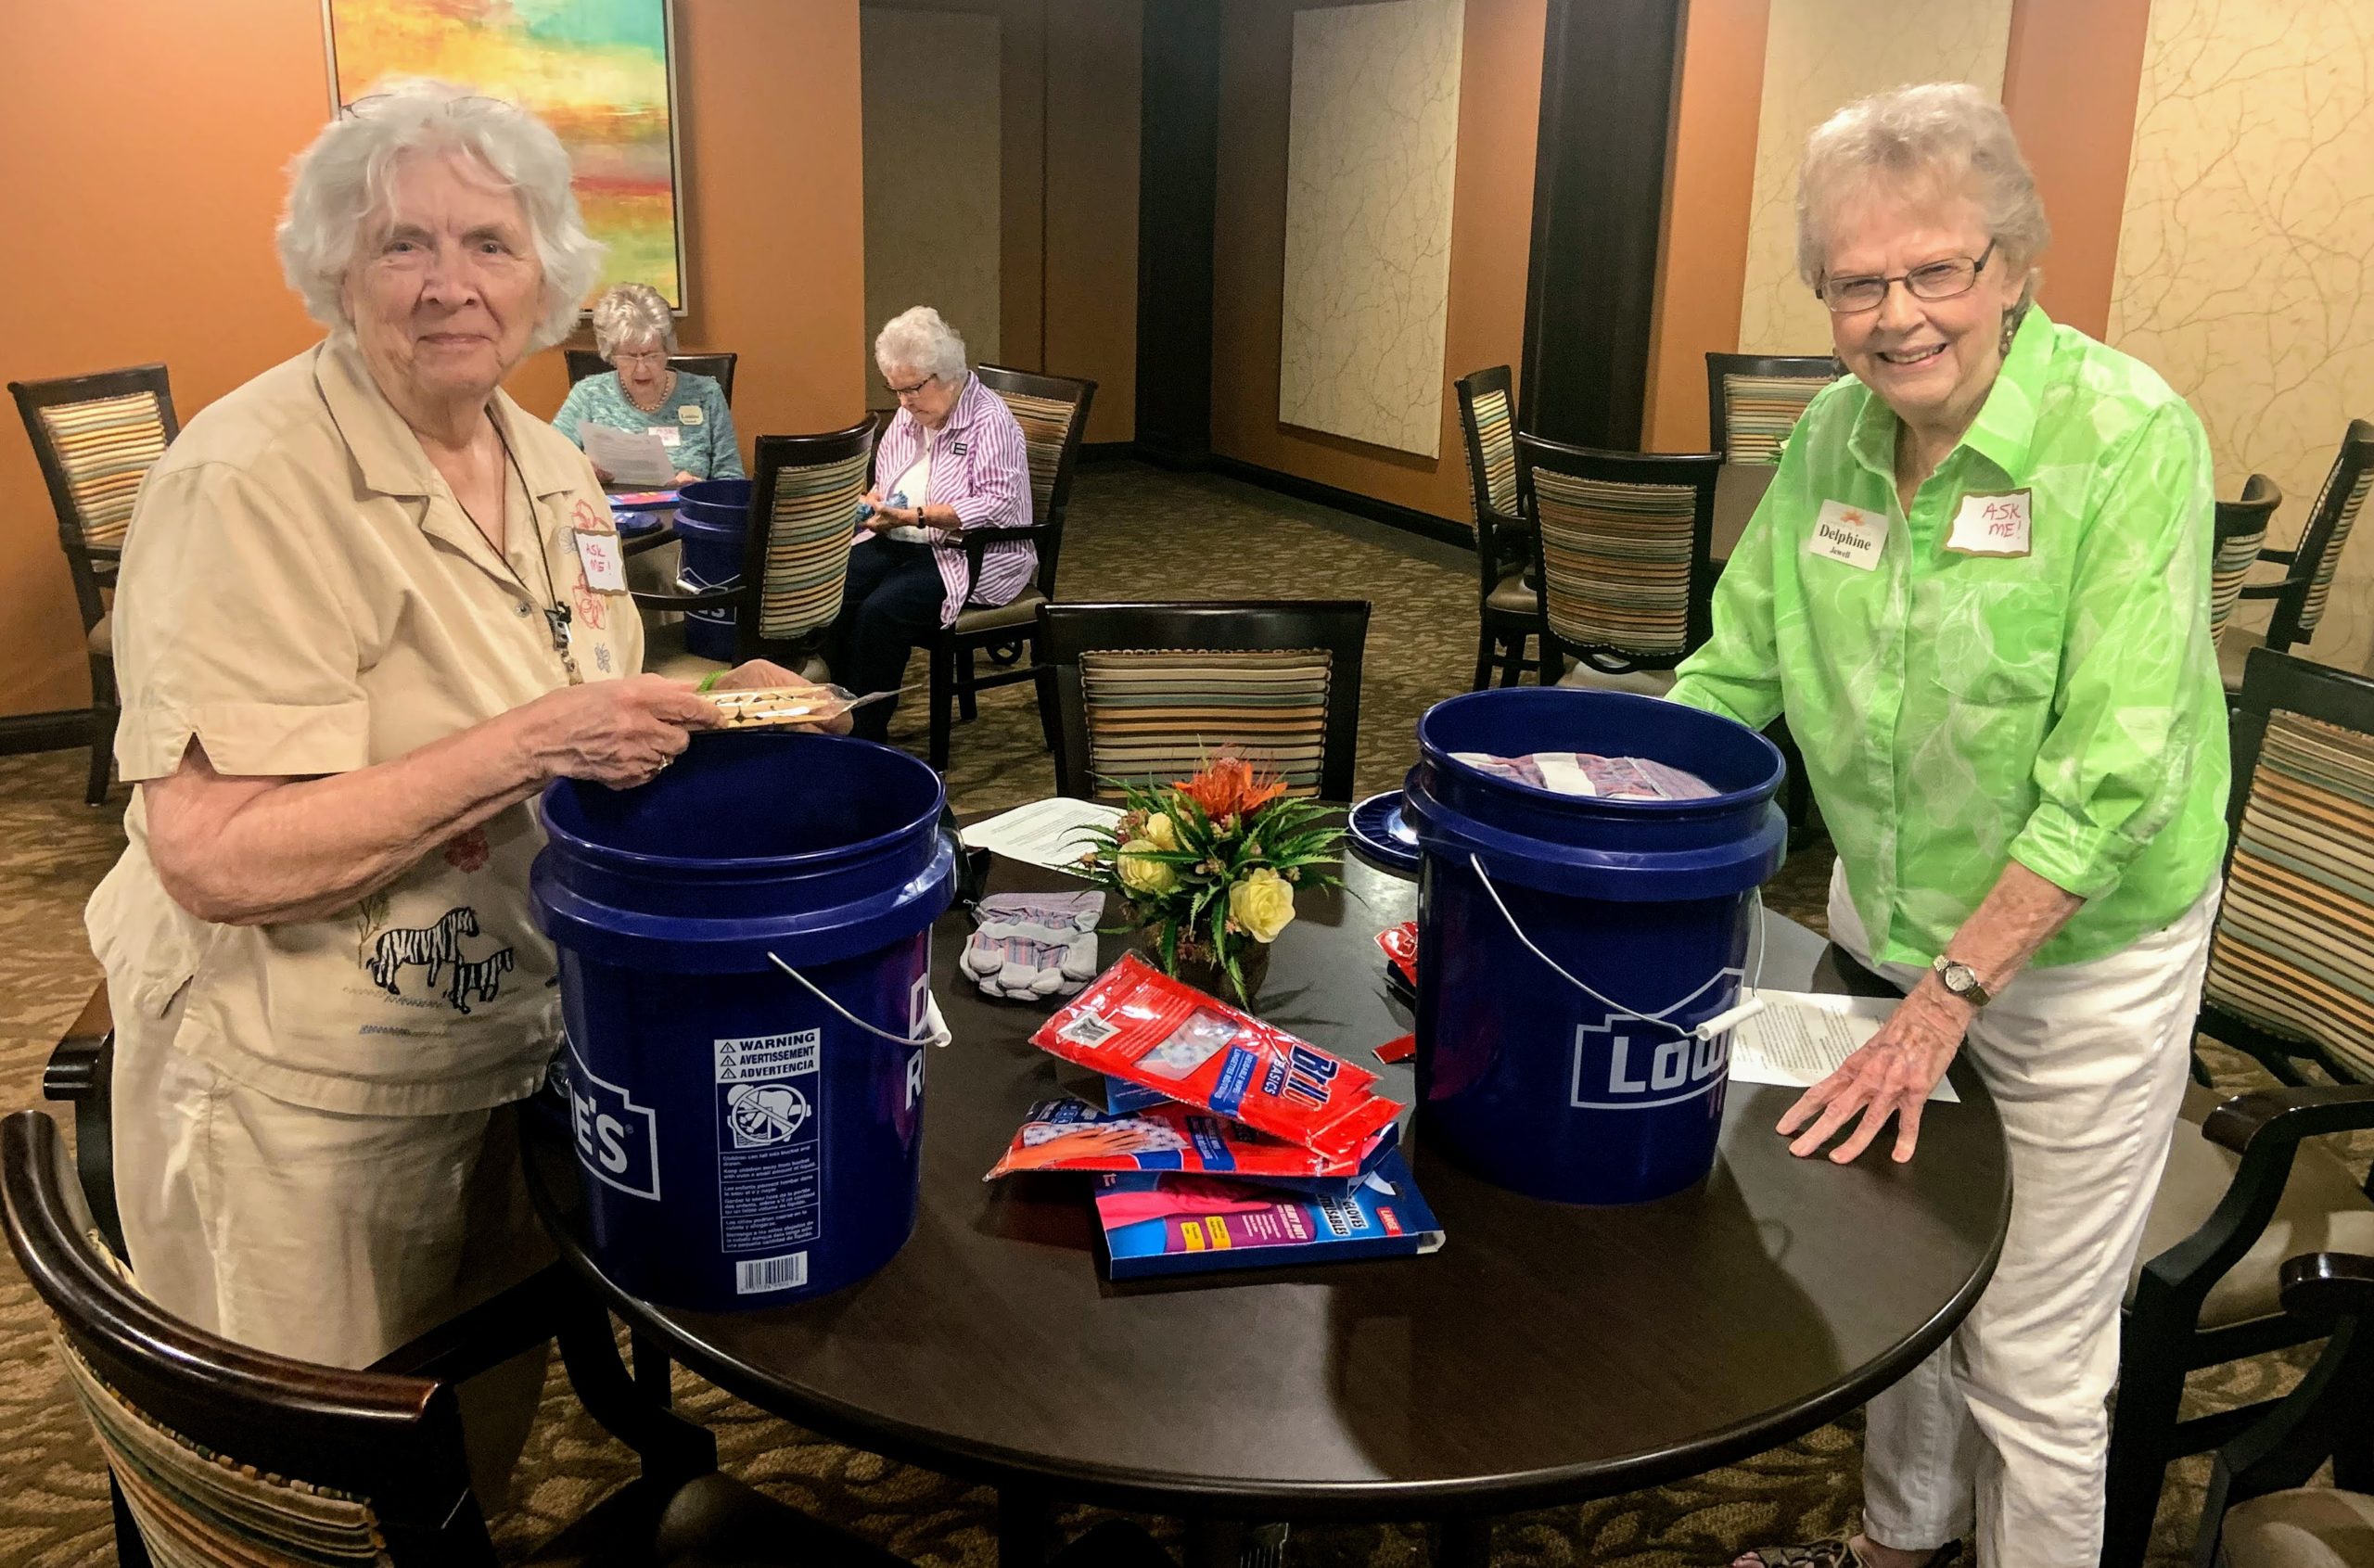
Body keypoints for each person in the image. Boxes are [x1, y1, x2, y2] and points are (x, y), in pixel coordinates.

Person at [86, 78, 832, 1491]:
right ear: (335, 269)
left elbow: (564, 678)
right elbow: (217, 854)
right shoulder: (246, 481)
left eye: (489, 244)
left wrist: (721, 703)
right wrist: (546, 738)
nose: (449, 286)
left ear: (543, 271)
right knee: (327, 1489)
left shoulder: (546, 461)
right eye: (401, 246)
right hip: (310, 1091)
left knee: (470, 1442)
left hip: (514, 1041)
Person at [1668, 84, 2228, 1568]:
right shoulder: (1829, 447)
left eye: (1939, 270)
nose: (1899, 315)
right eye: (1859, 282)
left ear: (2016, 266)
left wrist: (1950, 1000)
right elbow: (1736, 673)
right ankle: (1894, 1545)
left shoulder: (2126, 438)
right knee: (1903, 1285)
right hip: (1886, 923)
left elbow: (2114, 771)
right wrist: (1597, 797)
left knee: (2036, 1360)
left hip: (2071, 959)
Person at [825, 306, 1033, 743]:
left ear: (947, 375)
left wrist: (915, 516)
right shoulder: (914, 410)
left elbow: (995, 505)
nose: (903, 401)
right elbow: (891, 475)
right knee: (832, 591)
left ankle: (864, 735)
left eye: (912, 389)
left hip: (975, 552)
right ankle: (835, 714)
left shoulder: (990, 420)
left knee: (881, 612)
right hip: (905, 538)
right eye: (895, 389)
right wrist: (877, 500)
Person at [554, 280, 742, 484]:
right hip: (608, 514)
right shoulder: (588, 395)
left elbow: (731, 480)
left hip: (683, 513)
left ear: (667, 348)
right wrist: (581, 468)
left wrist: (698, 491)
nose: (642, 368)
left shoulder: (706, 395)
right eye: (629, 357)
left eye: (652, 355)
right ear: (611, 354)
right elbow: (547, 462)